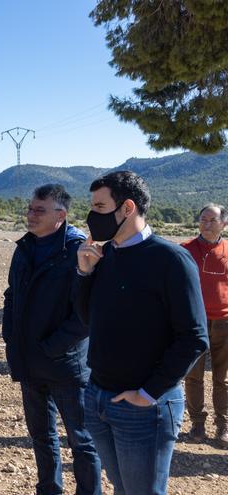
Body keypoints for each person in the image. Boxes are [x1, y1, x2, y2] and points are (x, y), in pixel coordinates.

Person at [75, 171, 209, 494]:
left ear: (127, 208)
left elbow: (193, 337)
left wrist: (147, 394)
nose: (92, 215)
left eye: (100, 206)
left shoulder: (172, 260)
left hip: (143, 408)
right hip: (98, 399)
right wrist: (84, 273)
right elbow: (87, 319)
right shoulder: (105, 258)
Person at [2, 184, 101, 495]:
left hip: (65, 366)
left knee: (81, 440)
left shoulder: (77, 250)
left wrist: (53, 347)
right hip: (30, 361)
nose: (31, 215)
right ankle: (48, 490)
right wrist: (11, 336)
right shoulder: (25, 247)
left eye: (39, 210)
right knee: (41, 436)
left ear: (61, 214)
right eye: (30, 208)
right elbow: (11, 295)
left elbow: (86, 313)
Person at [181, 203, 228, 448]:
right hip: (194, 321)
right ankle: (197, 425)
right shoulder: (185, 250)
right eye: (203, 219)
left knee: (223, 378)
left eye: (212, 220)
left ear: (224, 223)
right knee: (194, 376)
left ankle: (223, 426)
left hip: (225, 323)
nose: (206, 224)